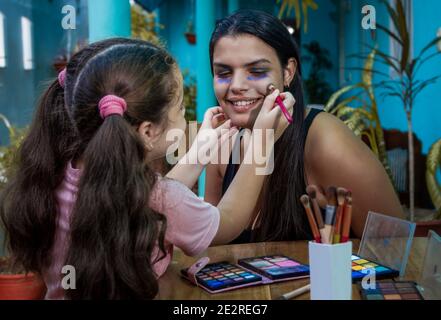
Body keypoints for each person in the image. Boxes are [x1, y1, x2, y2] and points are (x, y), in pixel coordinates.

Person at [0, 38, 293, 299]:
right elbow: (226, 222)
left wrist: (202, 149)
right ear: (148, 131)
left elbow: (148, 201)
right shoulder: (162, 197)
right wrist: (262, 141)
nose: (184, 116)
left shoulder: (57, 175)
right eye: (179, 109)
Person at [205, 9, 404, 243]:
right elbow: (208, 242)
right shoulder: (223, 144)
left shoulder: (326, 141)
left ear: (288, 72)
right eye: (224, 73)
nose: (237, 85)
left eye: (257, 71)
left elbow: (396, 247)